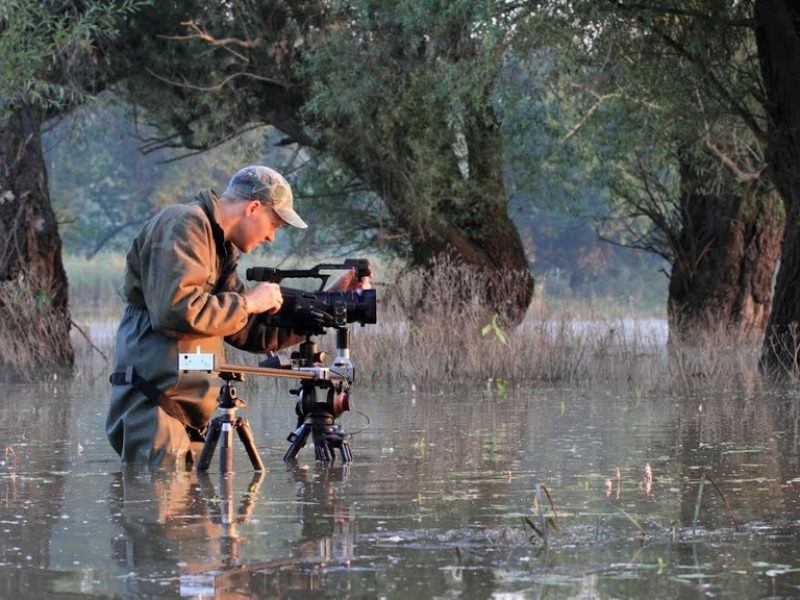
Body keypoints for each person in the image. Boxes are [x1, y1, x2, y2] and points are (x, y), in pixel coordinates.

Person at [106, 165, 366, 468]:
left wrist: (328, 304)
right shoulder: (184, 224)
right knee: (162, 506)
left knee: (189, 511)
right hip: (154, 409)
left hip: (181, 416)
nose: (271, 237)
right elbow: (175, 310)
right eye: (274, 224)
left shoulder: (218, 247)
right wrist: (248, 303)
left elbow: (252, 330)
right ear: (253, 207)